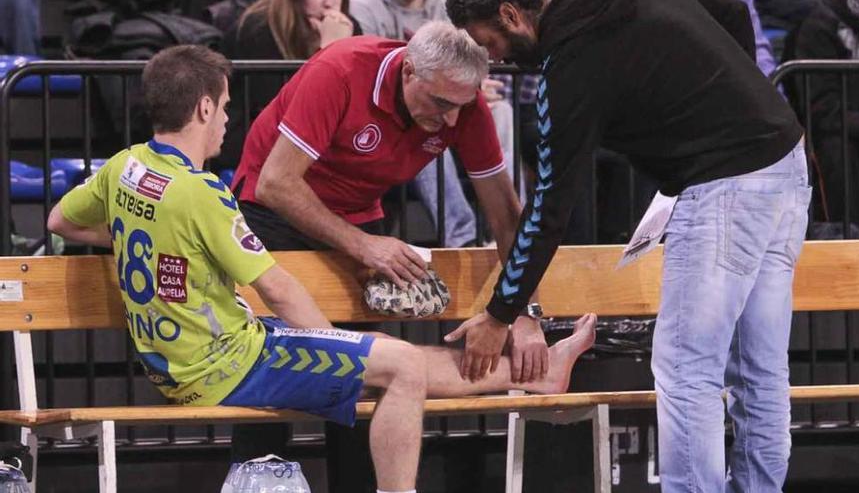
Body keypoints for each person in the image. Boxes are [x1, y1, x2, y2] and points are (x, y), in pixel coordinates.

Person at [46, 43, 597, 493]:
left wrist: (520, 311)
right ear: (206, 109)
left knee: (392, 366)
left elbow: (59, 220)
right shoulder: (206, 192)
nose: (452, 117)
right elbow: (280, 275)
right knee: (392, 366)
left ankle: (540, 371)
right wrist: (336, 350)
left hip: (189, 360)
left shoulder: (124, 166)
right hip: (224, 357)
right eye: (228, 105)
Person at [446, 0, 810, 491]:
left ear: (511, 15)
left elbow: (552, 204)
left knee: (686, 371)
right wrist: (733, 91)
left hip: (723, 187)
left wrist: (501, 312)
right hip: (784, 166)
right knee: (759, 372)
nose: (496, 59)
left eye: (490, 43)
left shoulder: (571, 60)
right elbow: (729, 7)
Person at [348, 0, 509, 247]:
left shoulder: (444, 5)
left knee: (502, 110)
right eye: (444, 103)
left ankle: (486, 237)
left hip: (434, 96)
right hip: (382, 122)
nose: (452, 119)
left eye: (461, 106)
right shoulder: (362, 14)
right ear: (408, 72)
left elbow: (459, 62)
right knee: (427, 139)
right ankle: (463, 238)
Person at [215, 0, 361, 172]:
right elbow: (289, 112)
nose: (329, 3)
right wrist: (329, 51)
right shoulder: (259, 30)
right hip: (253, 146)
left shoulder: (346, 28)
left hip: (314, 148)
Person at [791, 0, 859, 237]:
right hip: (838, 134)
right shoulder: (823, 24)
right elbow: (821, 107)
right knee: (837, 151)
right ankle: (850, 242)